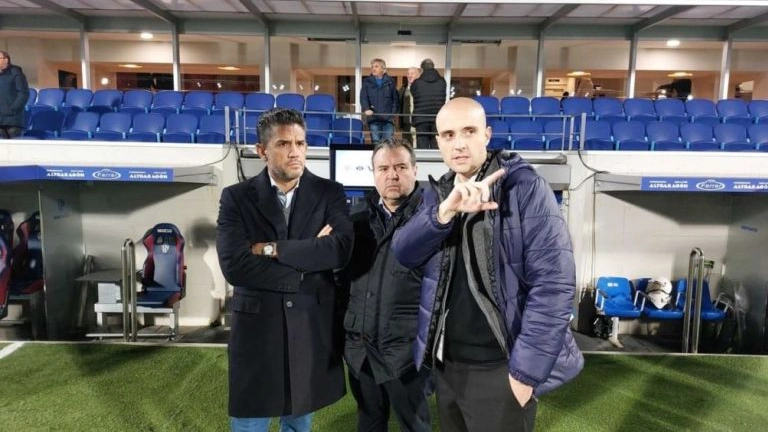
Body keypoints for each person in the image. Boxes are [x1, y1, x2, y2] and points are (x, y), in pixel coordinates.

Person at [392, 97, 584, 432]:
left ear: (487, 134)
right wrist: (444, 214)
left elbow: (554, 285)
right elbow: (404, 252)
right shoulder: (439, 194)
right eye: (448, 135)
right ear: (437, 142)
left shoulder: (525, 188)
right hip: (449, 366)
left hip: (502, 368)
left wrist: (524, 376)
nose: (459, 143)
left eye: (469, 131)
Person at [216, 108, 354, 432]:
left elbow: (340, 250)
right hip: (257, 334)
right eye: (283, 144)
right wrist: (309, 260)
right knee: (249, 423)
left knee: (298, 422)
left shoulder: (329, 192)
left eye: (300, 143)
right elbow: (235, 266)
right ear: (262, 150)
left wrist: (271, 249)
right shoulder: (236, 198)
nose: (295, 152)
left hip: (309, 329)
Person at [341, 137, 431, 432]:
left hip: (407, 354)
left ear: (414, 170)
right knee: (369, 423)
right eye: (383, 168)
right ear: (373, 173)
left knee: (414, 426)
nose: (392, 175)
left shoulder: (431, 220)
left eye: (400, 167)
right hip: (361, 351)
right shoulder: (355, 220)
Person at [410, 58, 446, 150]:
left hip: (421, 119)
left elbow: (413, 93)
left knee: (422, 147)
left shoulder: (417, 83)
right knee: (436, 146)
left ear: (422, 69)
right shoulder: (442, 81)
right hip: (437, 118)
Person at [360, 58, 399, 143]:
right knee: (376, 143)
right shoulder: (367, 82)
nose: (373, 68)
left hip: (388, 119)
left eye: (376, 66)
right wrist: (366, 109)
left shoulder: (391, 81)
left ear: (383, 69)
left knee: (388, 143)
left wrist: (392, 114)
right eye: (372, 67)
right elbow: (363, 98)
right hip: (374, 119)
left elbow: (395, 99)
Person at [0, 50, 30, 139]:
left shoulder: (16, 73)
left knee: (14, 144)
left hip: (13, 120)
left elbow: (23, 93)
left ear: (6, 60)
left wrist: (12, 109)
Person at [398, 67, 421, 145]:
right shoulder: (403, 88)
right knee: (406, 145)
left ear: (418, 75)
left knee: (417, 145)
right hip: (406, 123)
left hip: (418, 123)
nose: (409, 75)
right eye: (408, 74)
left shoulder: (422, 89)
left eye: (412, 73)